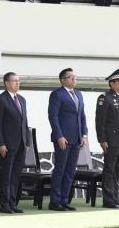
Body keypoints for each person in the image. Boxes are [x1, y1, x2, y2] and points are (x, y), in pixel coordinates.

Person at [47, 68, 87, 211]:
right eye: (71, 77)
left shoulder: (78, 94)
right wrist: (59, 136)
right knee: (60, 170)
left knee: (70, 171)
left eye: (75, 77)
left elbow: (82, 116)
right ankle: (55, 201)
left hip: (76, 139)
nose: (74, 79)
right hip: (63, 139)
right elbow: (53, 116)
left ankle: (64, 200)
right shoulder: (57, 94)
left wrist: (84, 135)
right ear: (63, 80)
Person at [0, 72, 30, 214]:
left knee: (15, 176)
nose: (17, 83)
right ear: (6, 83)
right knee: (6, 175)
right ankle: (5, 204)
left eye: (19, 81)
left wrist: (27, 140)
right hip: (7, 145)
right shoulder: (0, 100)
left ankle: (13, 203)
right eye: (14, 81)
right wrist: (0, 143)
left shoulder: (22, 99)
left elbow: (25, 122)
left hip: (21, 144)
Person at [95, 68, 119, 209]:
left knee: (117, 171)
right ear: (112, 83)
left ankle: (116, 198)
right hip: (111, 141)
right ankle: (108, 200)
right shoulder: (105, 98)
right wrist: (102, 140)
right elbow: (100, 122)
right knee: (109, 170)